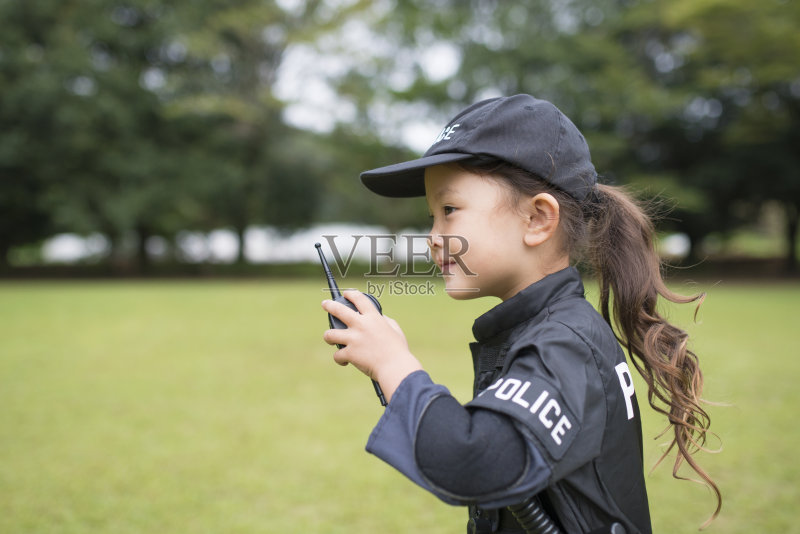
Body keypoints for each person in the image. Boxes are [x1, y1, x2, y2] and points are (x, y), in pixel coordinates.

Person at [320, 94, 721, 534]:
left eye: (449, 211)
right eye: (431, 216)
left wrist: (393, 362)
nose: (433, 237)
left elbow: (474, 463)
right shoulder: (548, 330)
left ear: (537, 219)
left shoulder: (564, 345)